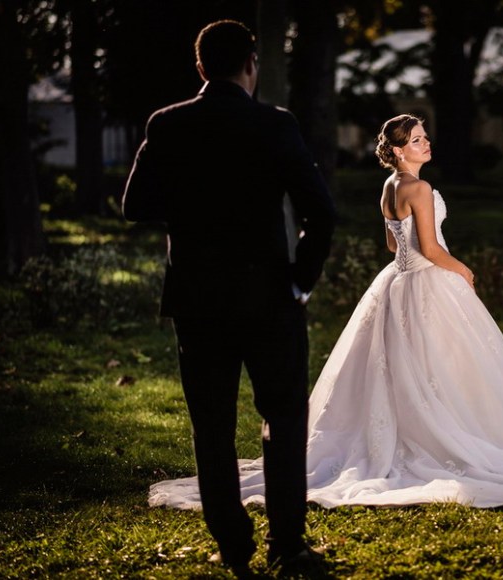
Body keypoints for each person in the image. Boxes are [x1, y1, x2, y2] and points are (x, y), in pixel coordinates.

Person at [149, 113, 503, 512]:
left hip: (398, 279)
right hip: (426, 279)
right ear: (400, 151)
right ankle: (444, 434)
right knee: (438, 363)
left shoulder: (390, 186)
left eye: (425, 137)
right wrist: (462, 269)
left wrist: (419, 260)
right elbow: (430, 248)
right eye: (418, 140)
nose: (426, 143)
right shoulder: (419, 187)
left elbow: (392, 243)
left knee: (405, 365)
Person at [122, 20, 334, 574]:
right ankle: (288, 545)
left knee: (211, 423)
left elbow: (134, 205)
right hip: (269, 293)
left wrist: (191, 206)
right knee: (283, 416)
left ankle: (233, 544)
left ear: (200, 67)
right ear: (251, 64)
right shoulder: (275, 123)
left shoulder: (167, 123)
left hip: (197, 296)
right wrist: (300, 280)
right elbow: (320, 211)